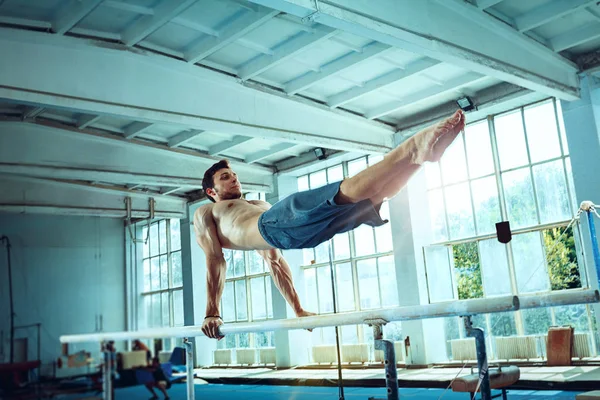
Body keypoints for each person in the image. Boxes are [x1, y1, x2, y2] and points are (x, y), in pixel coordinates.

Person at [195, 110, 466, 339]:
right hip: (279, 228)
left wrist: (298, 309)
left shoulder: (256, 205)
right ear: (211, 190)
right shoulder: (208, 211)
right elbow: (215, 260)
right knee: (348, 191)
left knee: (371, 198)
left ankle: (416, 160)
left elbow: (275, 263)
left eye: (235, 175)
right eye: (226, 177)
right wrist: (212, 311)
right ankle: (410, 149)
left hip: (283, 231)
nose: (234, 180)